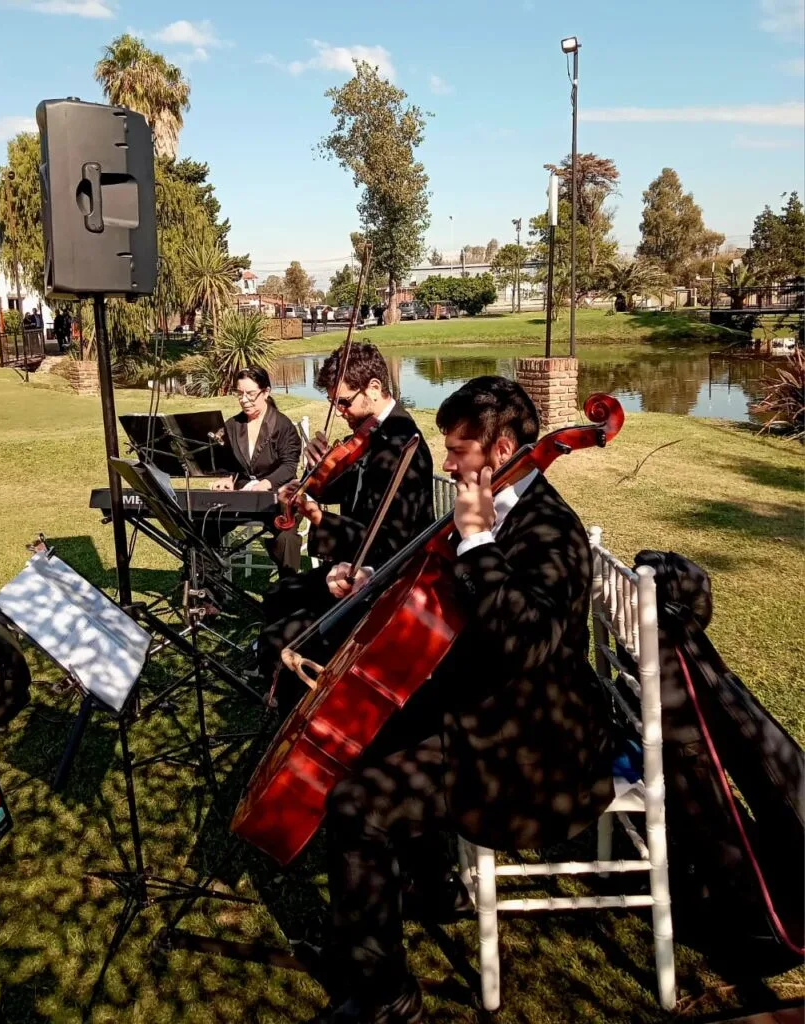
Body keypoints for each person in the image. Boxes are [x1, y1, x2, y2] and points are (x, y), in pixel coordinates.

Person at [307, 376, 615, 1024]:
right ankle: (430, 887)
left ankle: (389, 1000)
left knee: (356, 805)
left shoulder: (546, 530)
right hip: (489, 711)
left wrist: (477, 543)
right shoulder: (496, 506)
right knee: (367, 741)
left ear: (501, 447)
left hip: (531, 746)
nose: (446, 463)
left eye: (458, 450)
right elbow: (441, 598)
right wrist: (372, 582)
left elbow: (522, 642)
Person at [257, 343, 434, 717]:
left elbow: (389, 544)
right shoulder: (373, 434)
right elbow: (348, 489)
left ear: (373, 387)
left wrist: (319, 518)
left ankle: (297, 710)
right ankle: (279, 687)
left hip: (379, 580)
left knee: (279, 637)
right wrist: (318, 474)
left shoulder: (402, 447)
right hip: (353, 565)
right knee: (277, 594)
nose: (340, 412)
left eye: (344, 402)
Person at [210, 367, 303, 576]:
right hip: (243, 497)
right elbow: (228, 463)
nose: (244, 400)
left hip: (277, 497)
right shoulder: (233, 425)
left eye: (250, 394)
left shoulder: (282, 425)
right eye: (239, 393)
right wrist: (227, 478)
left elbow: (289, 466)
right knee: (206, 526)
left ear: (266, 392)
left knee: (286, 538)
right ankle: (208, 590)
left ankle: (288, 590)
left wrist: (266, 483)